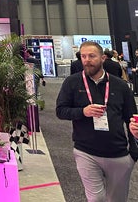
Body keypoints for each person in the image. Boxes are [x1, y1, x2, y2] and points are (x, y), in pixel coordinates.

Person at [56, 41, 138, 202]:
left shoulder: (120, 86)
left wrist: (133, 155)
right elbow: (60, 111)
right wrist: (83, 112)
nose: (87, 60)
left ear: (103, 58)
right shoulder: (72, 83)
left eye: (91, 56)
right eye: (83, 56)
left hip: (118, 153)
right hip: (85, 152)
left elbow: (132, 118)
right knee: (96, 198)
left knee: (117, 199)